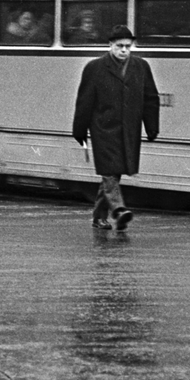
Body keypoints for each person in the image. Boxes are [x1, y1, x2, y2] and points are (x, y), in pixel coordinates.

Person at [72, 24, 159, 231]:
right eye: (120, 46)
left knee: (114, 173)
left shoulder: (141, 66)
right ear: (110, 45)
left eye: (128, 46)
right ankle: (119, 211)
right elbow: (84, 102)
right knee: (110, 171)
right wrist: (79, 130)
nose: (124, 50)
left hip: (129, 130)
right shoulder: (95, 68)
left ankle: (98, 217)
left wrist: (152, 127)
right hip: (103, 129)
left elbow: (150, 98)